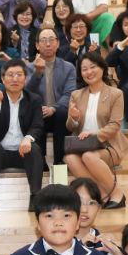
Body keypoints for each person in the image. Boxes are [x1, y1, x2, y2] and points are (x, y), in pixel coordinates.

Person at [0, 59, 45, 213]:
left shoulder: (34, 99)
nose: (14, 79)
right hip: (0, 153)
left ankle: (35, 196)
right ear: (3, 79)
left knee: (35, 149)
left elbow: (38, 125)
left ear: (25, 78)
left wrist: (28, 138)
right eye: (10, 75)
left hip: (24, 152)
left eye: (19, 74)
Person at [64, 53, 128, 208]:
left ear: (102, 68)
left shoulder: (116, 94)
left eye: (93, 67)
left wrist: (94, 135)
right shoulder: (76, 95)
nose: (89, 72)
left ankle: (118, 194)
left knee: (89, 156)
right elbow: (70, 127)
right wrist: (73, 118)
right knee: (70, 158)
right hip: (82, 145)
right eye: (84, 69)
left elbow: (114, 125)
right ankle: (101, 194)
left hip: (108, 145)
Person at [28, 27, 78, 167]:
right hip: (39, 113)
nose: (48, 44)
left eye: (51, 40)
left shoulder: (68, 67)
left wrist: (53, 108)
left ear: (57, 43)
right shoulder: (29, 67)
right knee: (35, 114)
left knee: (62, 113)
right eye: (44, 40)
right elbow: (26, 94)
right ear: (37, 45)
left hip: (58, 114)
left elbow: (70, 94)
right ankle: (40, 161)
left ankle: (59, 161)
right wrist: (37, 73)